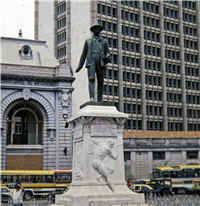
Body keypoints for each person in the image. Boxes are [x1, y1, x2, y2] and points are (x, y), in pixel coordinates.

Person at [75, 23, 111, 102]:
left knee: (100, 80)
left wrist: (107, 56)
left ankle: (100, 98)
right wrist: (79, 67)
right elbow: (83, 54)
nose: (97, 30)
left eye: (98, 28)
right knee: (91, 79)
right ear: (93, 30)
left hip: (100, 61)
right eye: (95, 28)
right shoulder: (88, 41)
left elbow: (108, 52)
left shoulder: (104, 41)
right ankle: (91, 97)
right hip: (91, 60)